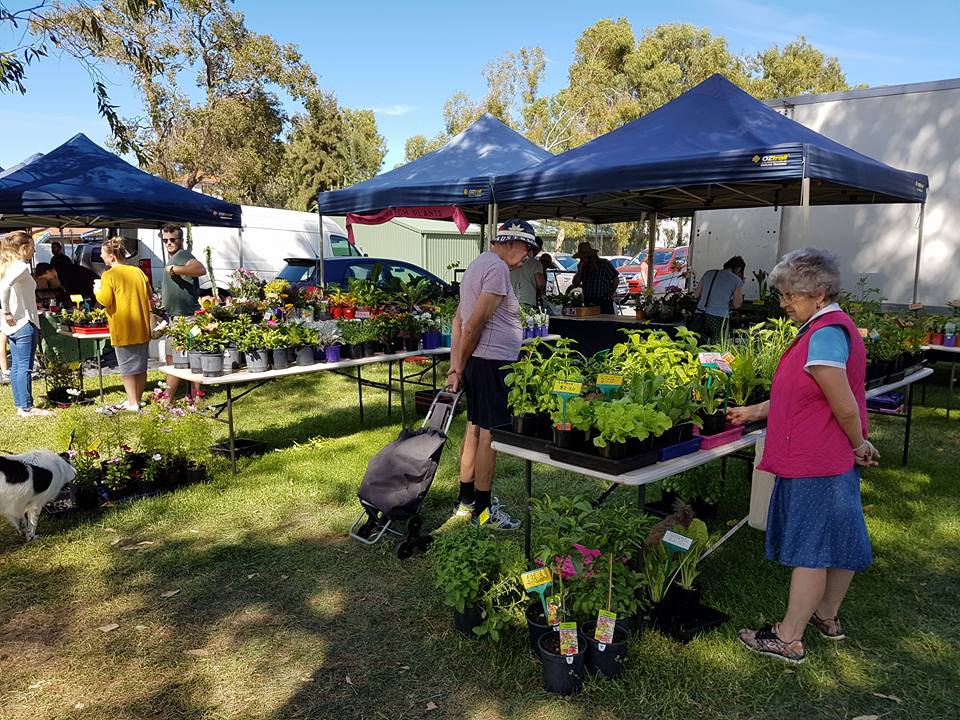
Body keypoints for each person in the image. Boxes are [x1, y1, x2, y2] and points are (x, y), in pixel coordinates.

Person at [730, 248, 879, 664]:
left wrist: (857, 444)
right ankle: (826, 616)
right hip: (830, 457)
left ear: (819, 293)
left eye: (791, 295)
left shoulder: (827, 333)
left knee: (812, 550)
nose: (783, 302)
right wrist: (757, 411)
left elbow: (843, 404)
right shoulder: (827, 328)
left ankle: (788, 636)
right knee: (839, 538)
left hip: (818, 458)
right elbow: (804, 396)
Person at [447, 219, 537, 530]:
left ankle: (465, 501)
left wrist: (457, 367)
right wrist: (460, 365)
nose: (529, 255)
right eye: (528, 248)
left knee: (474, 428)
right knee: (489, 435)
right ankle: (484, 513)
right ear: (511, 242)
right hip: (491, 364)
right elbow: (473, 324)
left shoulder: (478, 264)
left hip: (478, 363)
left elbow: (457, 322)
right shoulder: (497, 269)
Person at [94, 237, 153, 411]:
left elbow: (105, 300)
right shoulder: (138, 272)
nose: (101, 257)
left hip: (123, 328)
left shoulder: (108, 275)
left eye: (103, 254)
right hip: (142, 327)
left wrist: (96, 290)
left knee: (127, 368)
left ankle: (132, 402)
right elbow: (150, 294)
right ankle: (138, 399)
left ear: (112, 256)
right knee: (141, 366)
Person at [0, 231, 53, 417]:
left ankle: (20, 404)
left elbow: (13, 290)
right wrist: (6, 310)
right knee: (24, 366)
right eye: (32, 246)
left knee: (16, 367)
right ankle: (26, 407)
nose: (34, 249)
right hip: (24, 322)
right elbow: (5, 287)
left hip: (14, 323)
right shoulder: (21, 267)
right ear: (23, 248)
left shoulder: (7, 266)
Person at [160, 224, 206, 403]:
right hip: (174, 318)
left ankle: (196, 397)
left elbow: (200, 269)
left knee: (191, 358)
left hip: (187, 317)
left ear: (181, 240)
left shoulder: (184, 255)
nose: (169, 243)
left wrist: (175, 270)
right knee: (173, 359)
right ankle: (168, 397)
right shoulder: (173, 258)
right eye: (166, 240)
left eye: (173, 239)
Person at [691, 255, 745, 340]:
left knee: (698, 343)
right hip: (719, 317)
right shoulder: (736, 280)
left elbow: (696, 295)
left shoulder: (708, 273)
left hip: (700, 314)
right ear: (738, 269)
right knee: (717, 347)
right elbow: (737, 304)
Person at [570, 242, 620, 314]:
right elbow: (575, 284)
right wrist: (579, 270)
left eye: (585, 258)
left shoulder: (604, 263)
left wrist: (610, 294)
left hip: (604, 302)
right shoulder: (583, 267)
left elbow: (616, 279)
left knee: (606, 322)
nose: (583, 260)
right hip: (589, 302)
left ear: (591, 256)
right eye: (582, 258)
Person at [509, 236, 546, 308]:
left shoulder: (512, 260)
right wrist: (540, 292)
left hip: (509, 300)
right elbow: (540, 283)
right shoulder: (536, 263)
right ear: (538, 249)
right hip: (527, 300)